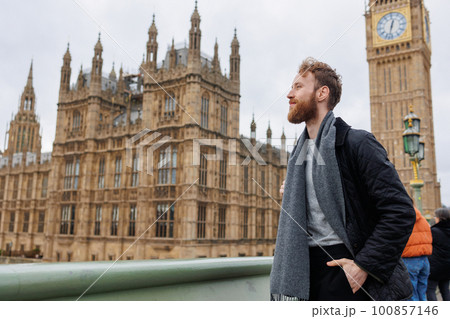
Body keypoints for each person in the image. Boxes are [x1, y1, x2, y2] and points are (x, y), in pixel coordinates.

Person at [270, 57, 416, 301]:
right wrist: (299, 196)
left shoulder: (357, 143)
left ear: (321, 93)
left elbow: (400, 211)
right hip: (307, 273)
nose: (289, 94)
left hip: (351, 271)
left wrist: (364, 266)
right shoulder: (299, 156)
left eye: (298, 87)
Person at [401, 207, 433, 301]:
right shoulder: (423, 220)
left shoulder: (403, 218)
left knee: (411, 295)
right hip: (424, 260)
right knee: (422, 294)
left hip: (409, 259)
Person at [426, 207, 450, 301]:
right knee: (445, 290)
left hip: (435, 267)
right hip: (448, 266)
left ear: (440, 218)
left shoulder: (434, 231)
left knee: (430, 290)